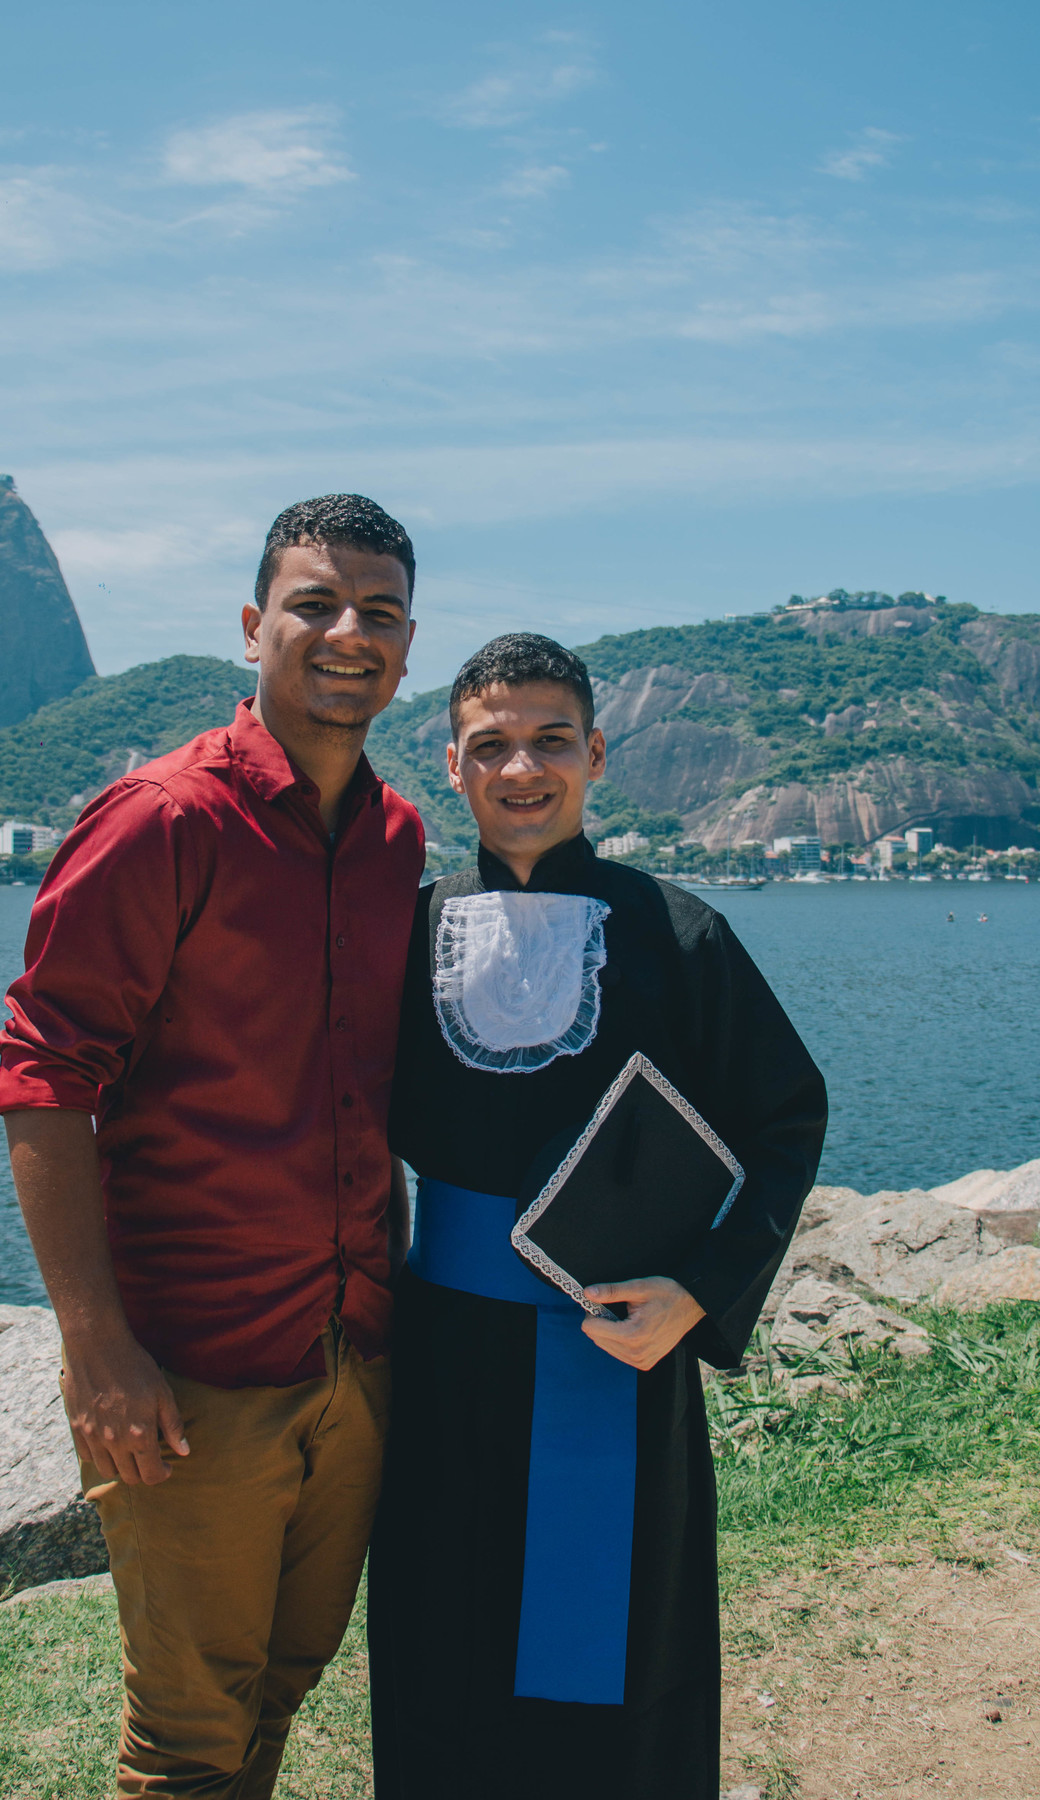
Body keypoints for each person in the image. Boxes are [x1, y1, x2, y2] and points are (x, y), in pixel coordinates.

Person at [0, 494, 425, 1800]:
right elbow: (42, 1079)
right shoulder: (163, 819)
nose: (350, 631)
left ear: (410, 646)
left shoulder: (399, 838)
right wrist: (98, 1348)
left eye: (382, 611)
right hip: (192, 1374)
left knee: (278, 1693)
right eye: (316, 603)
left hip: (351, 1348)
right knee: (185, 1744)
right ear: (253, 627)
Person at [368, 633, 827, 1800]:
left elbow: (785, 1120)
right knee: (440, 1643)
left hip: (617, 1349)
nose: (523, 768)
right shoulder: (401, 934)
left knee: (617, 1669)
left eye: (550, 741)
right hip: (438, 1356)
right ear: (453, 766)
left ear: (598, 755)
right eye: (492, 745)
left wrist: (701, 1294)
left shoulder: (680, 937)